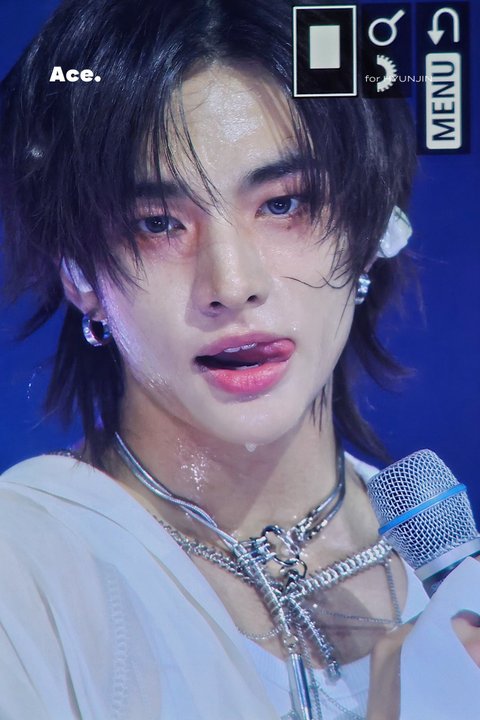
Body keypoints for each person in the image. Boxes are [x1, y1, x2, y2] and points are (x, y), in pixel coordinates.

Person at [0, 1, 479, 719]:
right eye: (158, 224)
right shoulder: (26, 568)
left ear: (371, 228)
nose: (232, 283)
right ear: (79, 272)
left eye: (284, 204)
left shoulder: (446, 576)